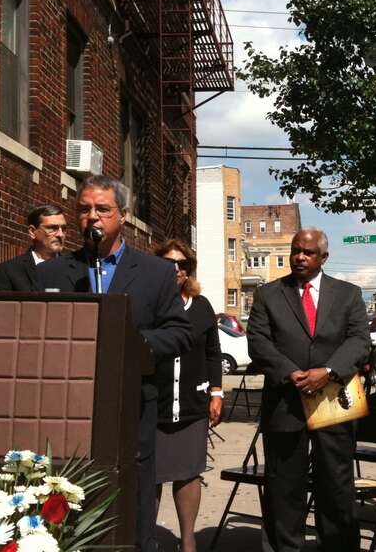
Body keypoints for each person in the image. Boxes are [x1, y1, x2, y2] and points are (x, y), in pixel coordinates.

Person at [37, 175, 191, 552]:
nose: (92, 217)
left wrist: (131, 343)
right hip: (68, 409)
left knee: (133, 499)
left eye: (102, 209)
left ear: (123, 215)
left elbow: (179, 332)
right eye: (84, 210)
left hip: (131, 404)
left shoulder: (155, 273)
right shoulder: (53, 273)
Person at [247, 227, 370, 552]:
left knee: (336, 484)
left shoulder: (349, 294)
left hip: (334, 401)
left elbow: (359, 340)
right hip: (286, 403)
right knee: (284, 485)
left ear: (324, 257)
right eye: (295, 250)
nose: (299, 257)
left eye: (308, 252)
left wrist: (327, 372)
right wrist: (291, 374)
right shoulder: (269, 294)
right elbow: (258, 342)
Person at [153, 239, 223, 552]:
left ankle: (188, 540)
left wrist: (217, 393)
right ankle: (146, 538)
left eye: (183, 264)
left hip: (193, 404)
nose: (177, 269)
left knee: (188, 473)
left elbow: (213, 352)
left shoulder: (202, 306)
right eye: (169, 263)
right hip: (155, 403)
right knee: (150, 475)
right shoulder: (148, 303)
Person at [0, 204, 67, 291]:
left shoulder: (76, 269)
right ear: (32, 232)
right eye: (52, 228)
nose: (60, 234)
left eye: (64, 228)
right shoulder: (9, 271)